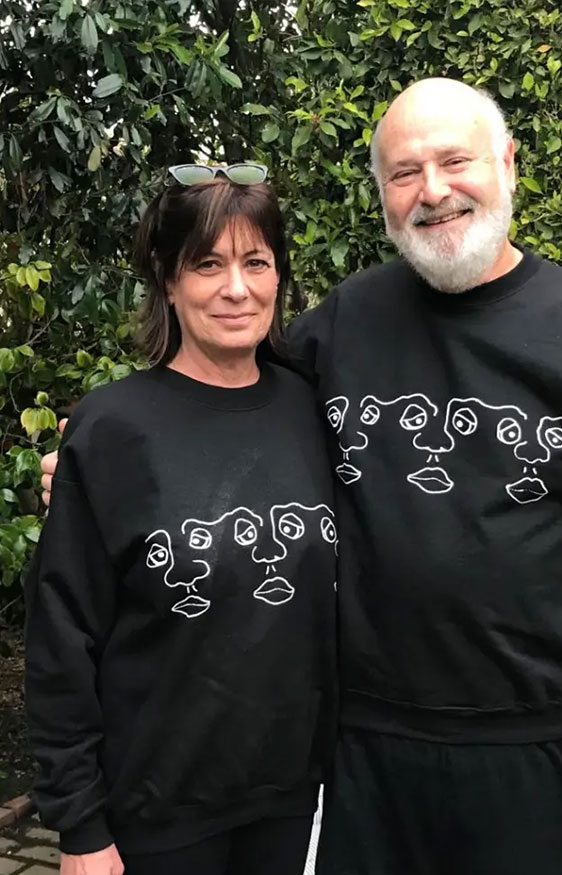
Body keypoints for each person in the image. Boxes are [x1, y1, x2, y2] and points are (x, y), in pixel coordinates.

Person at [41, 79, 562, 875]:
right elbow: (218, 402)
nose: (434, 191)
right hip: (356, 754)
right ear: (383, 193)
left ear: (508, 163)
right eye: (403, 172)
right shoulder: (345, 324)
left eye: (455, 161)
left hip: (525, 750)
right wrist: (97, 472)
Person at [25, 165, 338, 875]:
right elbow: (61, 636)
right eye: (208, 264)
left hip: (292, 799)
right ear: (168, 280)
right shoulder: (112, 428)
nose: (236, 287)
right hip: (156, 810)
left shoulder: (313, 410)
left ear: (279, 277)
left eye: (256, 262)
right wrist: (79, 825)